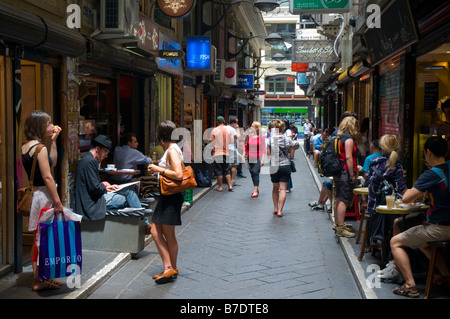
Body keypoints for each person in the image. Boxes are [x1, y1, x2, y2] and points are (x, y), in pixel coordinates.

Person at [387, 136, 450, 297]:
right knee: (423, 243)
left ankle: (410, 285)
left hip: (440, 228)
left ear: (428, 152)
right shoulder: (447, 168)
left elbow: (407, 198)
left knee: (395, 242)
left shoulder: (431, 174)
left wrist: (418, 189)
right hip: (445, 225)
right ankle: (445, 275)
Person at [22, 110, 64, 291]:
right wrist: (57, 202)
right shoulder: (40, 148)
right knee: (44, 239)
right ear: (40, 126)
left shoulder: (28, 147)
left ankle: (41, 277)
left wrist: (53, 141)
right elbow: (48, 177)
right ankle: (40, 279)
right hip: (44, 197)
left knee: (38, 239)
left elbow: (52, 163)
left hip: (37, 197)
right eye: (48, 123)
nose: (51, 126)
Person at [73, 135, 146, 221]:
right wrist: (104, 187)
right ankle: (143, 222)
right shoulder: (90, 162)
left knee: (129, 191)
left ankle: (143, 222)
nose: (106, 155)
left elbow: (92, 184)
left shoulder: (87, 160)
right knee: (126, 198)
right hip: (91, 202)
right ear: (97, 149)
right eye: (105, 152)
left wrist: (104, 184)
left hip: (91, 198)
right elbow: (95, 188)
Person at [147, 121, 184, 284]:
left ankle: (170, 268)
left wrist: (157, 169)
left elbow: (178, 174)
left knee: (165, 233)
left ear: (161, 138)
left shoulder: (172, 151)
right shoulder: (172, 149)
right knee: (158, 232)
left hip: (171, 196)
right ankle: (170, 268)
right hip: (168, 196)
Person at [366, 134, 407, 244]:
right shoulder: (396, 165)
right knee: (405, 220)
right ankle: (395, 248)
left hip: (373, 207)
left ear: (382, 147)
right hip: (389, 209)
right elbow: (402, 188)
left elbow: (369, 183)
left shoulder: (374, 161)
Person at [333, 116, 359, 237]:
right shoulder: (348, 139)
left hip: (338, 171)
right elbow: (349, 157)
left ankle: (338, 224)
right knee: (343, 200)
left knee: (338, 198)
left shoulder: (337, 137)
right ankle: (340, 228)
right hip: (345, 172)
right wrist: (352, 174)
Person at [267, 119, 294, 217]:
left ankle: (275, 208)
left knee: (275, 188)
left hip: (274, 166)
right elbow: (291, 156)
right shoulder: (288, 140)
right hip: (285, 165)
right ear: (283, 129)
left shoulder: (270, 140)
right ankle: (280, 210)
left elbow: (268, 156)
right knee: (283, 189)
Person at [210, 116, 235, 192]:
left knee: (219, 170)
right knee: (226, 170)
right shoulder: (228, 130)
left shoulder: (215, 130)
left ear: (217, 122)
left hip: (217, 153)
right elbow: (231, 141)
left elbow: (211, 141)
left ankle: (220, 187)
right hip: (226, 152)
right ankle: (230, 185)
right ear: (224, 121)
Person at [244, 121, 266, 198]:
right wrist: (243, 157)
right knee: (252, 173)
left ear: (256, 128)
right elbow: (246, 148)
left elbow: (263, 149)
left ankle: (255, 191)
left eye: (252, 126)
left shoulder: (261, 137)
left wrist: (263, 160)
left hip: (257, 158)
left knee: (255, 172)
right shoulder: (249, 136)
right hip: (249, 158)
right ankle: (256, 187)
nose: (251, 127)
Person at [227, 118, 239, 186]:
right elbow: (236, 138)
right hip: (231, 148)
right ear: (233, 123)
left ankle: (227, 179)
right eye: (236, 123)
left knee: (227, 165)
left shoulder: (225, 128)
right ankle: (232, 180)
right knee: (234, 165)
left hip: (224, 148)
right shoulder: (233, 129)